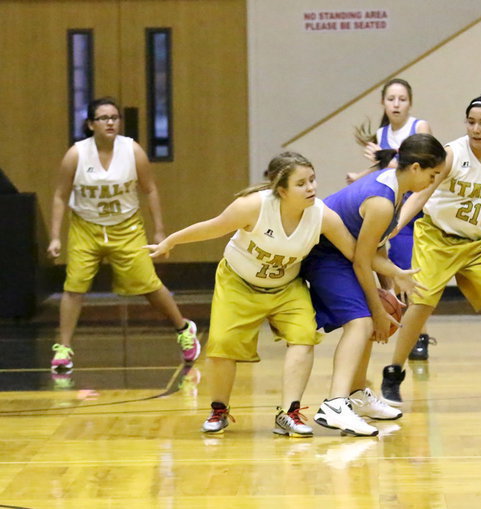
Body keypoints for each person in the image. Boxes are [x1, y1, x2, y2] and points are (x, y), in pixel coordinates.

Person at [145, 152, 419, 436]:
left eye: (313, 180)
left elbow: (356, 253)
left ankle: (289, 414)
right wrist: (171, 241)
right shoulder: (253, 207)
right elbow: (212, 227)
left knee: (303, 336)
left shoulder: (322, 215)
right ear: (281, 189)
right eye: (301, 183)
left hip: (286, 286)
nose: (311, 187)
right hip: (238, 282)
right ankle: (219, 409)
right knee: (223, 345)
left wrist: (395, 271)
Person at [380, 94, 481, 411]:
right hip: (436, 237)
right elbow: (420, 194)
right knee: (422, 303)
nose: (475, 129)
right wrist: (396, 224)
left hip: (479, 243)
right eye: (471, 122)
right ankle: (393, 373)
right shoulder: (452, 153)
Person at [302, 133, 447, 436]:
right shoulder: (382, 200)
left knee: (368, 317)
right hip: (324, 257)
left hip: (346, 255)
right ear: (417, 168)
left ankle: (356, 395)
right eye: (433, 175)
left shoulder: (393, 187)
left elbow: (373, 247)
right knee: (361, 323)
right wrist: (377, 311)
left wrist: (392, 281)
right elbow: (360, 260)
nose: (433, 182)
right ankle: (334, 404)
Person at [47, 97, 199, 372]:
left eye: (114, 117)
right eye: (103, 118)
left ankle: (183, 328)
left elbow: (150, 189)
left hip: (126, 227)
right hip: (86, 227)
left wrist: (160, 231)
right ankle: (64, 348)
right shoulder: (77, 154)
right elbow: (60, 195)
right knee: (74, 287)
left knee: (149, 285)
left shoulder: (132, 151)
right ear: (91, 124)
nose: (110, 122)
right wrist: (56, 236)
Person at [351, 78, 436, 361]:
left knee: (412, 272)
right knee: (393, 271)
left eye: (401, 99)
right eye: (391, 99)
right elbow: (386, 171)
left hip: (416, 213)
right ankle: (395, 320)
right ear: (383, 103)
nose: (396, 104)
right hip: (392, 210)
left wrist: (382, 158)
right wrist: (360, 175)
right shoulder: (381, 133)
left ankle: (421, 335)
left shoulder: (419, 127)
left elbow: (417, 162)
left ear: (410, 102)